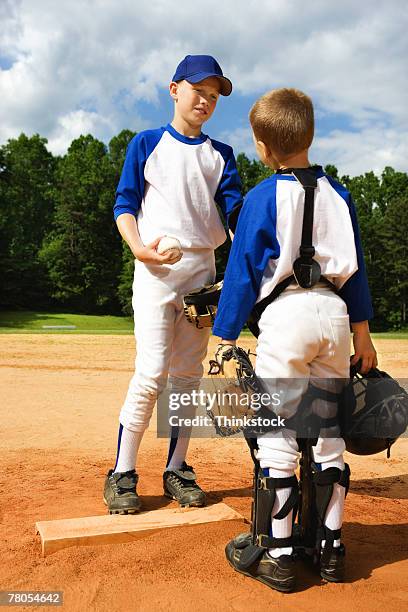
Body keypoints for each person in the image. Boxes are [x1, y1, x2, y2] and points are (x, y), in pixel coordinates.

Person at [211, 88, 377, 591]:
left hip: (287, 317)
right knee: (328, 436)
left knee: (278, 437)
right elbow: (357, 272)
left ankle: (281, 555)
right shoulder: (338, 194)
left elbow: (242, 273)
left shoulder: (263, 196)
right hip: (333, 313)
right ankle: (330, 552)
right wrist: (363, 336)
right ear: (310, 135)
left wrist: (224, 335)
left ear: (263, 146)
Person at [104, 55, 242, 514]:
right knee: (150, 374)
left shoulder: (221, 155)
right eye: (198, 90)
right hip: (155, 275)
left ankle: (178, 468)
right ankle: (123, 472)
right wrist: (140, 249)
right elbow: (125, 204)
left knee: (186, 379)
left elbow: (237, 215)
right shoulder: (145, 143)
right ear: (174, 89)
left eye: (214, 94)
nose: (206, 100)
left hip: (202, 274)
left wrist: (248, 263)